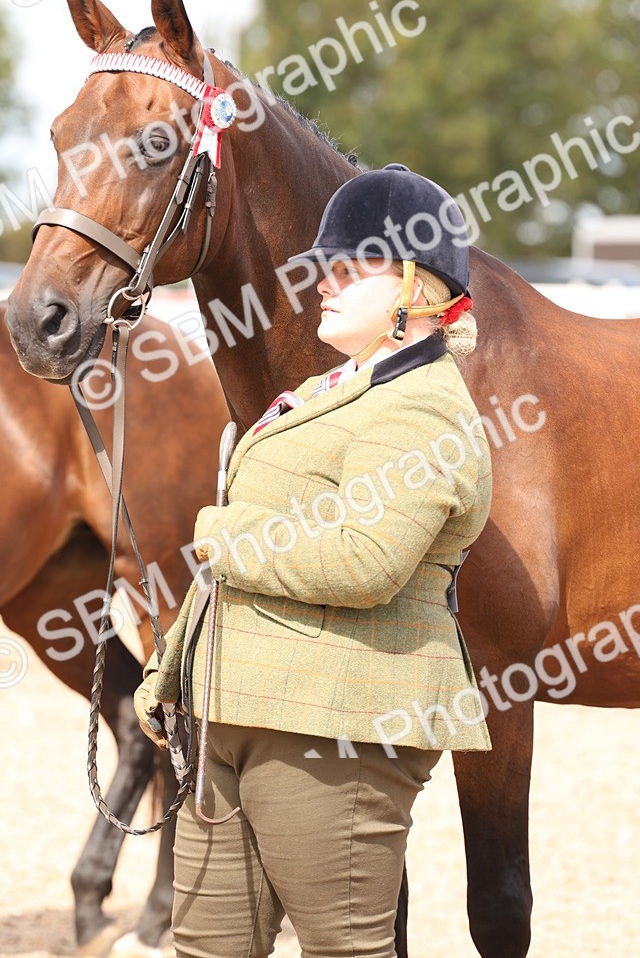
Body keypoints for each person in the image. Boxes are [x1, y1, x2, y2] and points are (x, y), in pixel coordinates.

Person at [134, 163, 493, 958]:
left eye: (349, 264)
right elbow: (238, 557)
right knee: (205, 947)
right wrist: (171, 671)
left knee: (344, 948)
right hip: (232, 710)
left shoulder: (424, 407)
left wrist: (220, 535)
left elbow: (367, 561)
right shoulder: (335, 391)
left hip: (338, 724)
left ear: (416, 283)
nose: (322, 279)